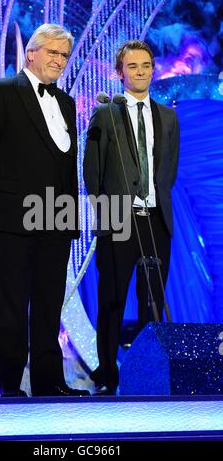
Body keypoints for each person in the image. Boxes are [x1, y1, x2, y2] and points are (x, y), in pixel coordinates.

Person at [0, 24, 89, 397]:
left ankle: (50, 381)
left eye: (64, 55)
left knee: (50, 303)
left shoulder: (65, 102)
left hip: (57, 217)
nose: (59, 60)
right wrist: (2, 200)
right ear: (30, 54)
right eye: (52, 52)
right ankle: (9, 384)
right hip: (15, 218)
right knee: (13, 303)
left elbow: (65, 167)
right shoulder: (3, 92)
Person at [83, 40, 180, 395]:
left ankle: (147, 371)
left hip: (155, 219)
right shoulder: (106, 113)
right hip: (118, 220)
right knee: (112, 299)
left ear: (154, 69)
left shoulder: (168, 117)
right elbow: (92, 171)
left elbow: (168, 171)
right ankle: (107, 372)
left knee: (152, 301)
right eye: (133, 66)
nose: (140, 72)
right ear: (119, 72)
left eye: (146, 65)